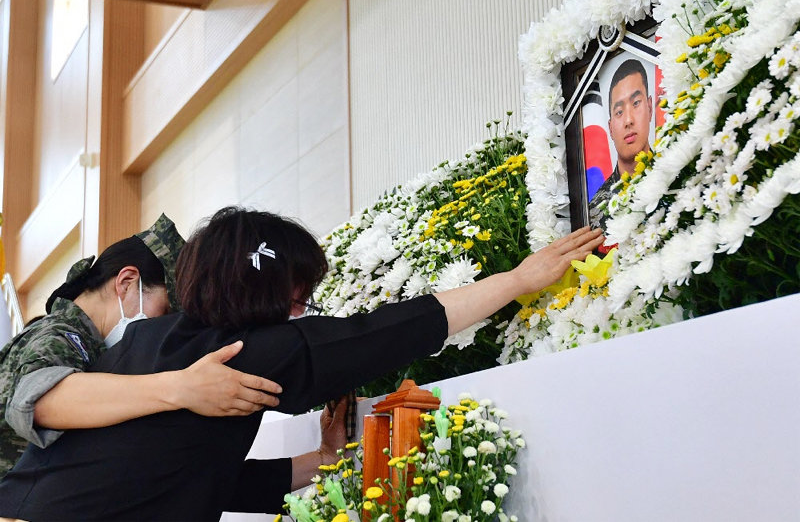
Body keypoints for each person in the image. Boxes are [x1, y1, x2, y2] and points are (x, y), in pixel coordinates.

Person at [0, 206, 604, 520]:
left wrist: (317, 462)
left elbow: (196, 472)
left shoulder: (148, 342)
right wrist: (517, 280)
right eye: (300, 294)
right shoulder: (252, 353)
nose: (303, 310)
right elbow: (390, 331)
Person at [0, 214, 282, 477]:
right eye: (166, 310)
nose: (165, 328)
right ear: (126, 282)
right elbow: (42, 401)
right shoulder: (60, 333)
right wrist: (183, 388)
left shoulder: (102, 354)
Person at [589, 58, 653, 231]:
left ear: (650, 107)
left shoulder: (676, 177)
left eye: (636, 103)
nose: (628, 120)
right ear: (610, 127)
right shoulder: (595, 209)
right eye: (619, 112)